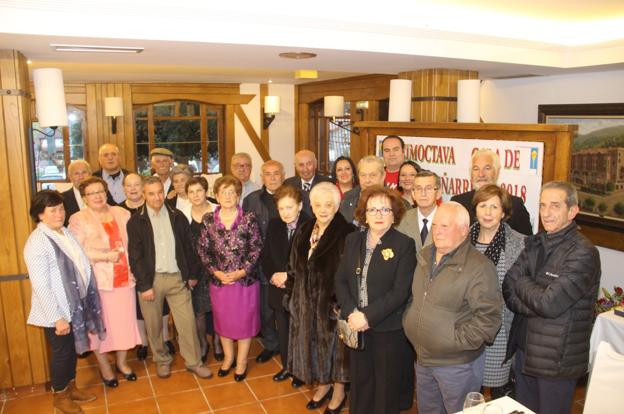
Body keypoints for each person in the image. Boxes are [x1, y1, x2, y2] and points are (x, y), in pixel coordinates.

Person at [503, 181, 601, 414]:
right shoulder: (537, 242)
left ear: (572, 211)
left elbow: (549, 304)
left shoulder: (584, 252)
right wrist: (535, 300)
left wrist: (524, 282)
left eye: (555, 206)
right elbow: (508, 285)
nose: (546, 213)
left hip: (555, 362)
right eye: (543, 205)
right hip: (525, 353)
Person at [403, 202, 503, 414]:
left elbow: (489, 320)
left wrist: (454, 341)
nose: (437, 231)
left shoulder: (479, 267)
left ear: (464, 230)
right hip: (423, 359)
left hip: (457, 366)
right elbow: (415, 299)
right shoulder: (424, 256)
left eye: (445, 226)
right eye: (436, 224)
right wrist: (409, 321)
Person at [335, 186, 416, 414]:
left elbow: (401, 292)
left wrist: (368, 316)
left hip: (387, 330)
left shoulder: (404, 245)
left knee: (385, 390)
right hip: (355, 326)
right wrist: (353, 313)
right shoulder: (352, 240)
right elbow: (340, 280)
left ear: (394, 214)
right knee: (361, 386)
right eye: (373, 210)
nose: (378, 215)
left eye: (384, 209)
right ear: (364, 214)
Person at [24, 190, 105, 414]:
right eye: (53, 210)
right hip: (57, 311)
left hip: (73, 307)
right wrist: (57, 317)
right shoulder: (37, 242)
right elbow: (41, 285)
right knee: (62, 353)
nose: (59, 213)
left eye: (61, 208)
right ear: (40, 214)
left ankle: (71, 388)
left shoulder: (64, 232)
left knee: (71, 351)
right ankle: (60, 397)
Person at [127, 176, 212, 379]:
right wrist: (144, 284)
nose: (157, 197)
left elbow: (189, 248)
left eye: (159, 192)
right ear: (143, 195)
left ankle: (194, 362)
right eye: (151, 193)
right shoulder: (136, 221)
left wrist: (191, 274)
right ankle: (162, 360)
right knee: (154, 324)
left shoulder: (177, 216)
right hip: (151, 281)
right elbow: (135, 257)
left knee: (187, 323)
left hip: (177, 279)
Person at [68, 177, 143, 388]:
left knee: (123, 325)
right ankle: (105, 368)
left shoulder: (122, 213)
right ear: (84, 198)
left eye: (101, 191)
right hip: (98, 283)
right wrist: (105, 256)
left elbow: (134, 244)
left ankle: (121, 363)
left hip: (125, 280)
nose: (98, 196)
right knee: (99, 328)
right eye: (92, 193)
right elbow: (77, 250)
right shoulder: (78, 219)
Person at [287, 182, 355, 412]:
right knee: (314, 349)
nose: (323, 209)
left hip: (331, 306)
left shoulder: (347, 233)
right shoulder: (305, 229)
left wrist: (338, 305)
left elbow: (349, 274)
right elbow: (293, 266)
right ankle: (323, 385)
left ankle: (338, 391)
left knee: (336, 354)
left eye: (328, 204)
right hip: (305, 303)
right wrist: (292, 297)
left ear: (337, 206)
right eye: (318, 204)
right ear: (311, 206)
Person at [197, 175, 263, 382]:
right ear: (216, 195)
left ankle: (241, 362)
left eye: (231, 192)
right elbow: (202, 250)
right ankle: (228, 358)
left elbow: (256, 248)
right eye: (222, 192)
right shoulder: (208, 220)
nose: (227, 196)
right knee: (223, 323)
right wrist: (215, 272)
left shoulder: (248, 219)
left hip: (244, 282)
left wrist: (242, 271)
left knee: (244, 324)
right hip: (219, 282)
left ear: (238, 195)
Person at [469, 184, 526, 399]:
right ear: (475, 210)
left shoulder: (519, 243)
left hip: (501, 328)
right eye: (483, 205)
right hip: (468, 326)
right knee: (469, 386)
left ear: (504, 212)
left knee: (499, 392)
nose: (488, 212)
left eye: (494, 206)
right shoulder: (463, 239)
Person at [260, 184, 310, 388]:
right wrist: (273, 275)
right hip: (278, 288)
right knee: (284, 330)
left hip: (300, 289)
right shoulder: (274, 225)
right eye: (281, 209)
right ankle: (287, 366)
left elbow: (309, 260)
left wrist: (288, 277)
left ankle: (301, 370)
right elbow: (266, 256)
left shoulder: (311, 225)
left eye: (289, 207)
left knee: (301, 331)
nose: (285, 213)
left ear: (299, 206)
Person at [242, 160, 286, 363]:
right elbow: (245, 234)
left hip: (288, 262)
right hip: (262, 263)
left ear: (283, 175)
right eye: (268, 174)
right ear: (262, 177)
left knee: (288, 308)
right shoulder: (251, 200)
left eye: (276, 173)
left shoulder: (294, 196)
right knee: (266, 307)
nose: (273, 177)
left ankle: (289, 345)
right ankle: (271, 343)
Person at [451, 149, 533, 235]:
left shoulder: (515, 205)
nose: (481, 174)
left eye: (487, 168)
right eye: (476, 169)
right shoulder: (458, 203)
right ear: (471, 174)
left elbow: (527, 243)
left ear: (497, 172)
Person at [185, 176, 221, 363]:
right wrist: (189, 274)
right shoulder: (183, 213)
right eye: (191, 192)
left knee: (217, 309)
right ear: (187, 195)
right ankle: (202, 344)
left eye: (199, 190)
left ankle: (217, 342)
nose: (195, 195)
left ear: (206, 191)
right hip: (194, 271)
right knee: (198, 310)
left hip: (216, 269)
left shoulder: (217, 210)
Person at [397, 170, 441, 251]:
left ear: (438, 193)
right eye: (418, 188)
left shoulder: (448, 219)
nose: (423, 193)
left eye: (428, 188)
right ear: (413, 194)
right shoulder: (402, 219)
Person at [62, 160, 115, 226]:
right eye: (76, 173)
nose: (81, 177)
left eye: (84, 172)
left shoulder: (103, 193)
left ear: (90, 174)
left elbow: (113, 212)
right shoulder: (62, 199)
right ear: (70, 177)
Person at [339, 156, 386, 224]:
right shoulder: (348, 198)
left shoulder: (394, 201)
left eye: (372, 175)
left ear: (383, 176)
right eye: (363, 175)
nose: (367, 180)